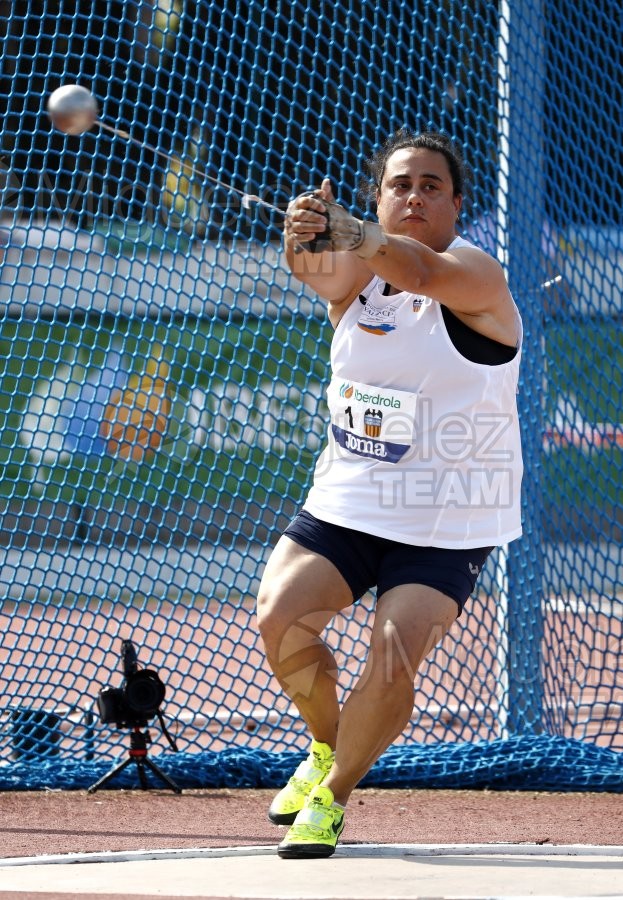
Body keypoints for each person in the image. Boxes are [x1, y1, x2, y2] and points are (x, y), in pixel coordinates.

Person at [256, 129, 523, 859]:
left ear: (454, 204)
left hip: (449, 516)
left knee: (392, 653)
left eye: (430, 186)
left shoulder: (471, 271)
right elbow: (317, 271)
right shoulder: (359, 276)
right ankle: (322, 747)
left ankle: (334, 797)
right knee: (282, 623)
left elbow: (419, 273)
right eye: (399, 184)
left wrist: (361, 235)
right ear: (377, 197)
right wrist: (304, 232)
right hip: (350, 501)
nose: (414, 195)